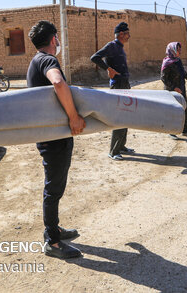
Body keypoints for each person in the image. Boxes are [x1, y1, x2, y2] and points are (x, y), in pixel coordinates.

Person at [27, 20, 86, 259]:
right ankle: (52, 241)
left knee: (56, 186)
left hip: (50, 135)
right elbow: (58, 83)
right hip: (54, 138)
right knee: (53, 188)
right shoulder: (47, 60)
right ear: (54, 40)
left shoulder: (35, 61)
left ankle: (54, 229)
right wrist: (74, 117)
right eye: (58, 38)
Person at [90, 21, 135, 160]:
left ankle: (121, 146)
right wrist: (108, 69)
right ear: (121, 34)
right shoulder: (112, 46)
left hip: (124, 84)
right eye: (127, 34)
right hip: (117, 86)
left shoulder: (120, 47)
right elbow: (95, 57)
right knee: (119, 117)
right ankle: (113, 151)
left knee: (126, 115)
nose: (129, 36)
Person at [160, 42, 187, 139]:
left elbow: (183, 73)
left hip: (181, 89)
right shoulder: (167, 62)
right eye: (178, 49)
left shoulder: (178, 61)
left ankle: (184, 130)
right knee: (173, 110)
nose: (180, 51)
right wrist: (174, 87)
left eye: (180, 49)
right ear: (172, 50)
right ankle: (171, 132)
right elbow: (163, 78)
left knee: (184, 109)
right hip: (172, 91)